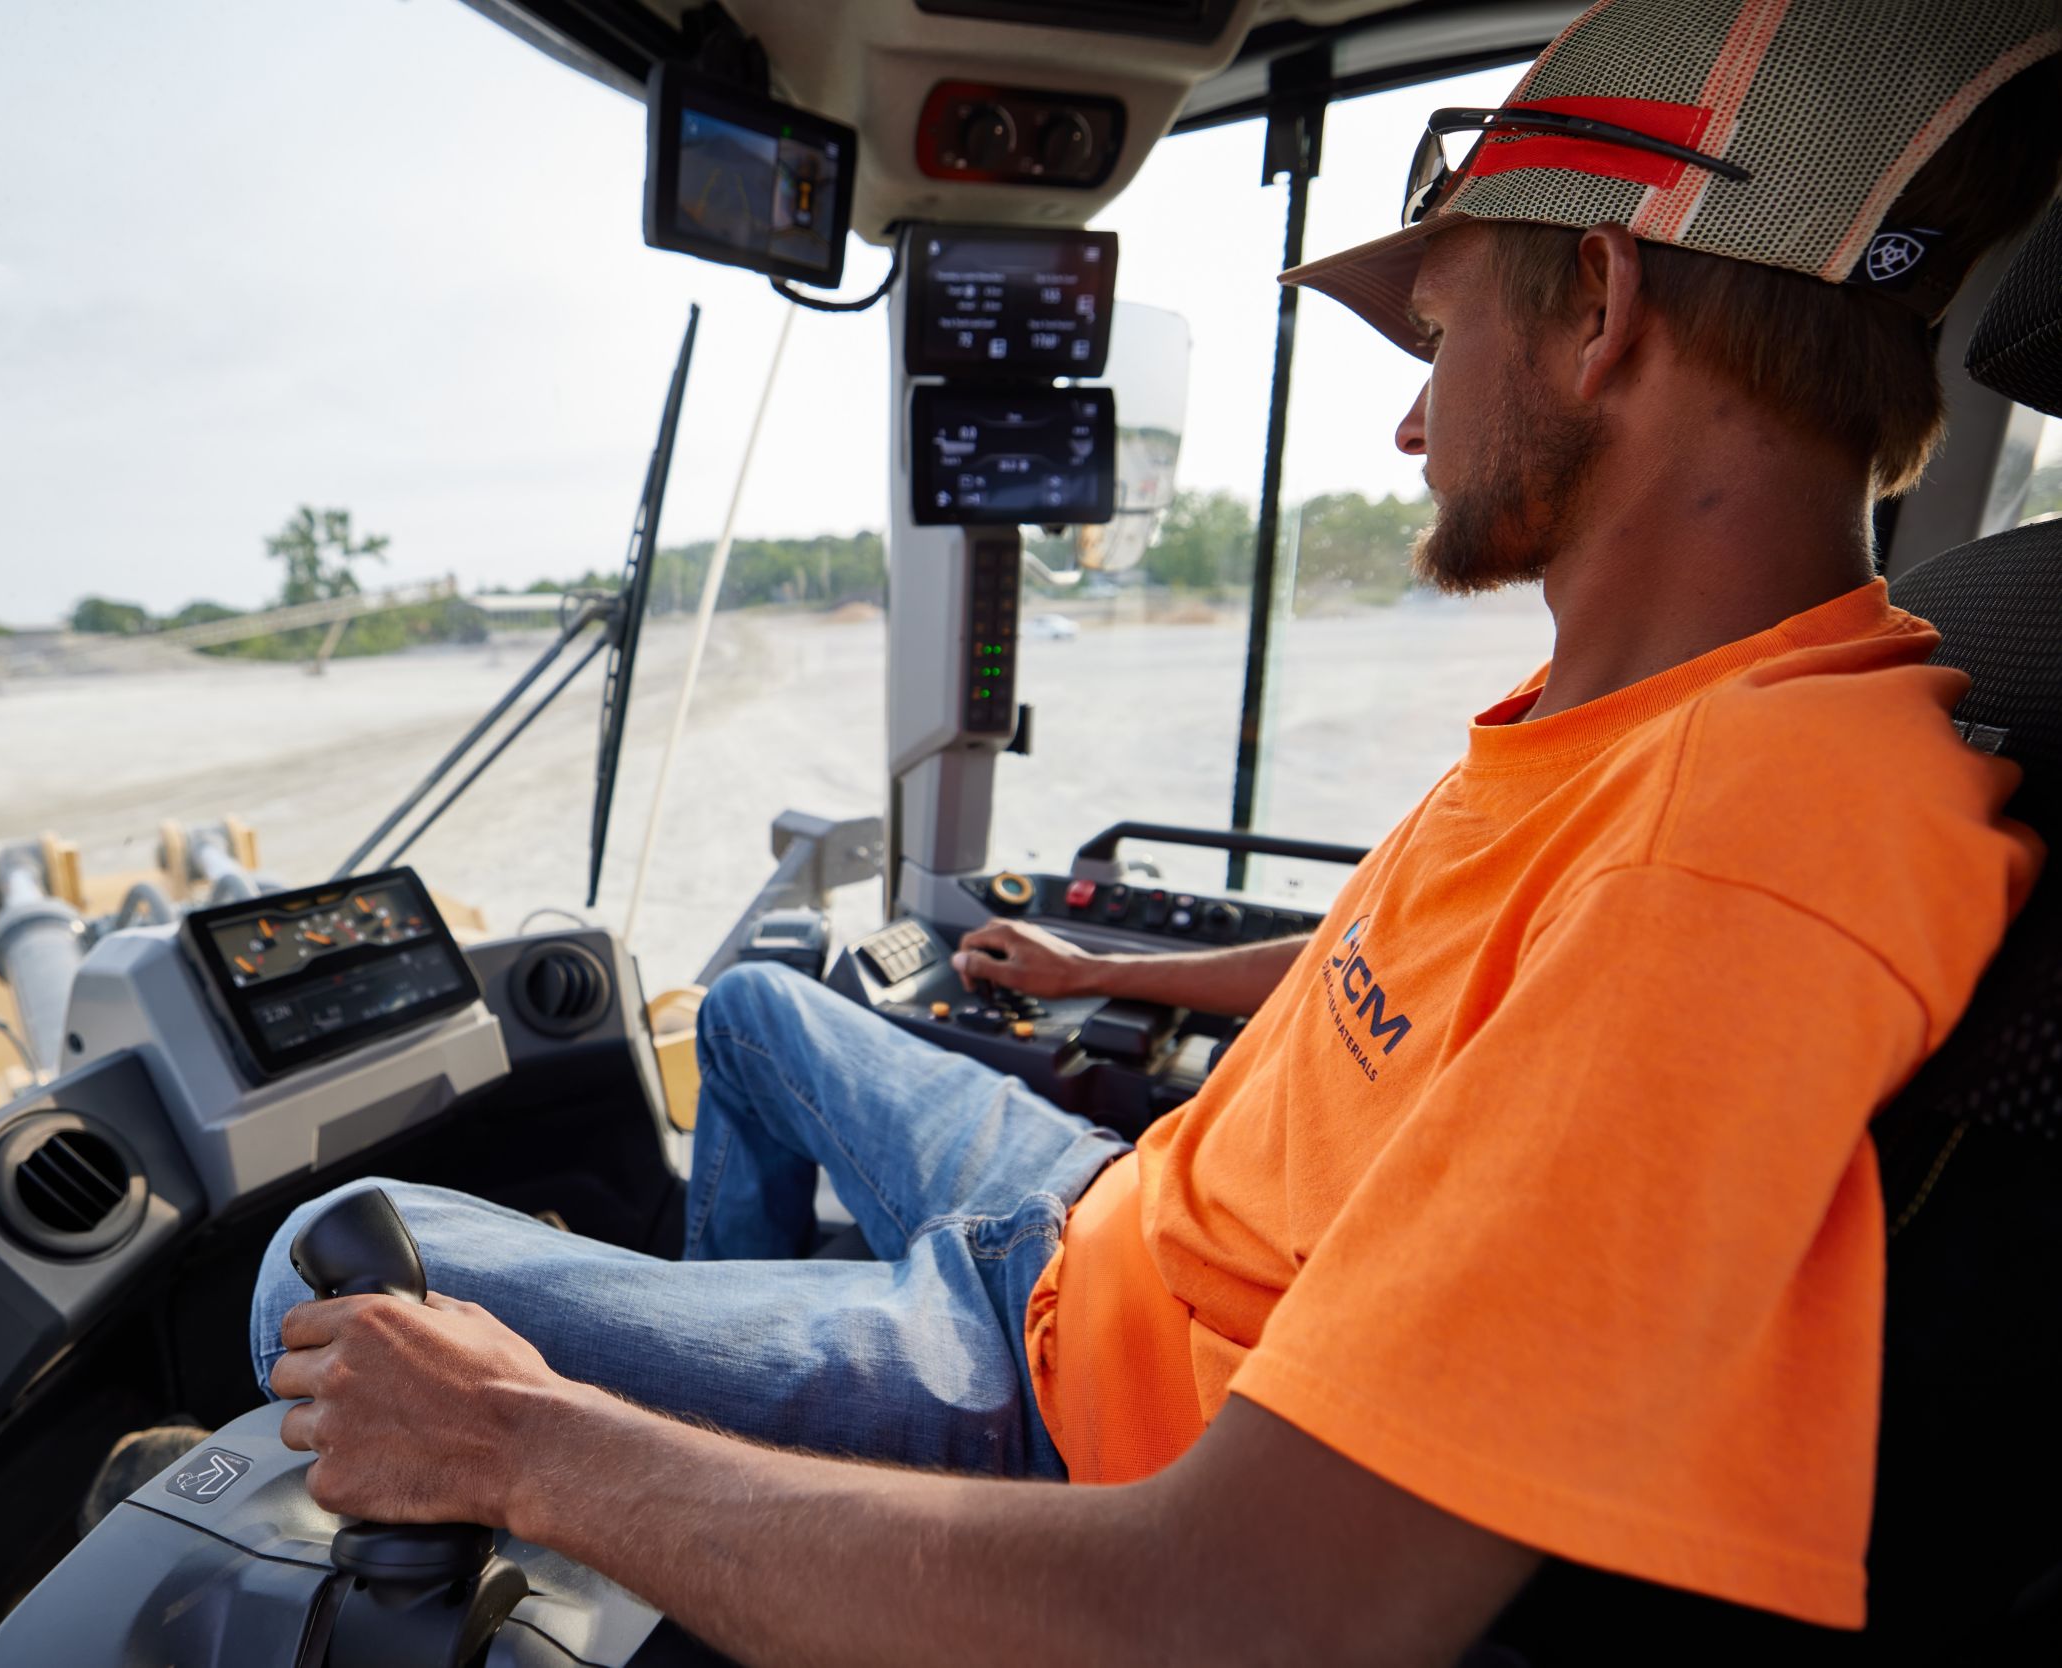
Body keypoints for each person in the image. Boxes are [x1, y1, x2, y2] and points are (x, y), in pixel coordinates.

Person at [252, 3, 2061, 1659]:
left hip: (1068, 1411)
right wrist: (1097, 966)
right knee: (753, 1013)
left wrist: (528, 1449)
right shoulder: (1659, 713)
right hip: (1094, 1219)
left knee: (318, 1260)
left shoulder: (1740, 831)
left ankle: (746, 1508)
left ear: (1598, 307)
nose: (1417, 421)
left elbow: (1250, 1614)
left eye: (1440, 337)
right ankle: (758, 1473)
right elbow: (1409, 982)